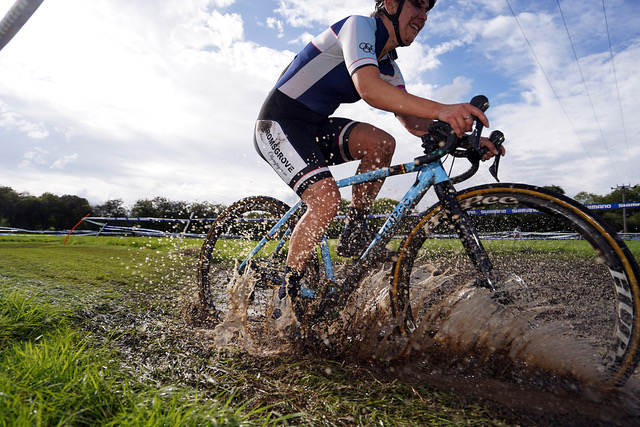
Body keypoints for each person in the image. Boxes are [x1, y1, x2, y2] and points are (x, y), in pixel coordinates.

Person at [253, 0, 504, 314]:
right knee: (326, 200)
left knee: (382, 144)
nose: (423, 16)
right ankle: (286, 301)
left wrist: (469, 139)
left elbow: (414, 123)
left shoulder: (389, 67)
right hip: (278, 122)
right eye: (416, 3)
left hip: (314, 127)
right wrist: (443, 109)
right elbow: (369, 88)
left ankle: (355, 229)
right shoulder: (357, 26)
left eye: (428, 9)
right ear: (390, 4)